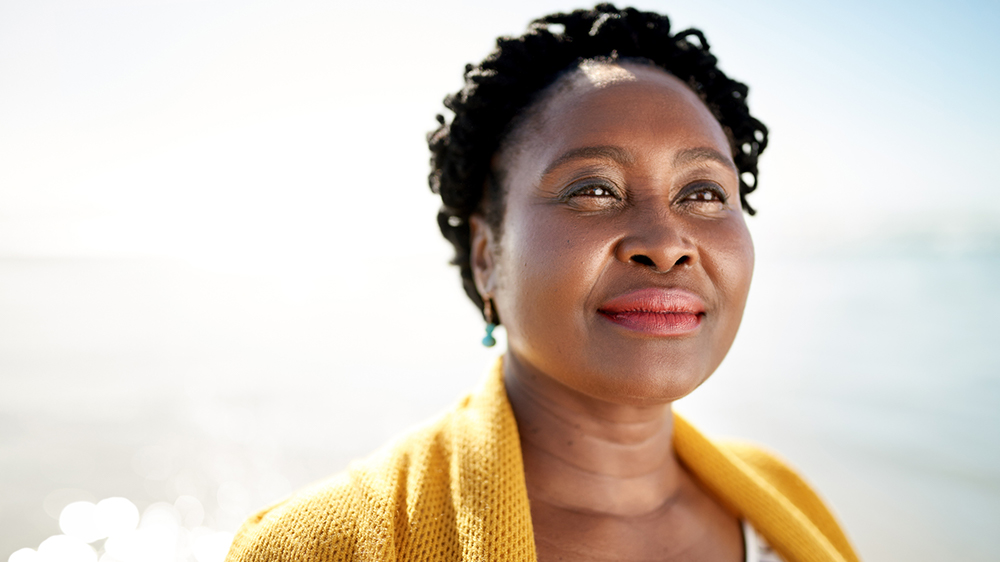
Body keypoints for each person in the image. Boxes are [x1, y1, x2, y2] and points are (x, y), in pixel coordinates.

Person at [225, 5, 860, 562]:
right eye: (594, 190)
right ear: (486, 256)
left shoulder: (784, 498)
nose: (666, 243)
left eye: (703, 193)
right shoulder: (321, 547)